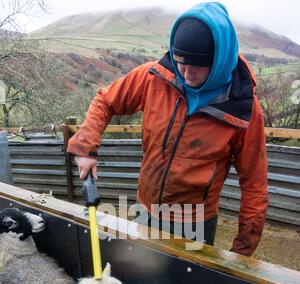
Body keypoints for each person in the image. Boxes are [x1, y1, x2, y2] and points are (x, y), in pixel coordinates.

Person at [67, 2, 268, 256]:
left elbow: (254, 185)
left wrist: (242, 252)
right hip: (145, 207)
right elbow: (106, 100)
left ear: (219, 59)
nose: (186, 72)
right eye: (180, 61)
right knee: (141, 275)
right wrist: (86, 146)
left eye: (197, 64)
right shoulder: (154, 77)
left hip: (193, 222)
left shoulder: (244, 109)